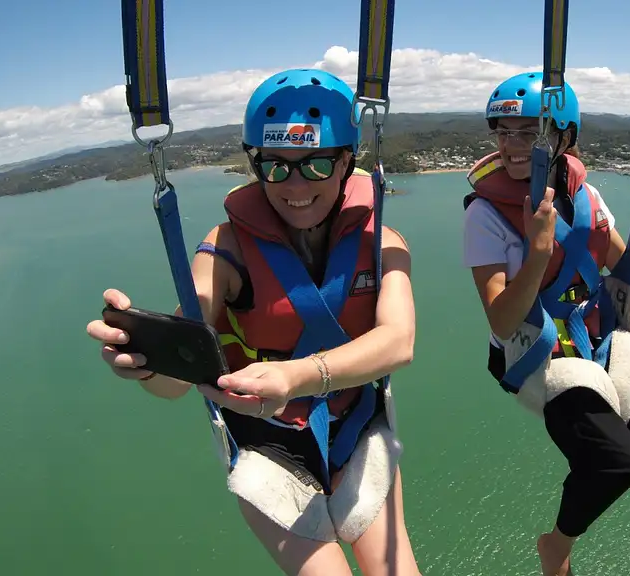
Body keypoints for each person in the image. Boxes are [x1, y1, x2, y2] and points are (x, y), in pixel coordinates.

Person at [86, 68, 421, 576]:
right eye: (276, 167)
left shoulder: (380, 242)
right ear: (255, 165)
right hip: (268, 447)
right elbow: (180, 374)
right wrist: (149, 359)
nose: (295, 185)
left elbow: (398, 342)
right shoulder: (226, 251)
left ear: (347, 162)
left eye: (316, 165)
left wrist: (295, 377)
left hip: (355, 429)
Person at [462, 72, 630, 576]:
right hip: (535, 352)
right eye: (502, 131)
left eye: (528, 133)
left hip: (592, 340)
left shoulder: (586, 198)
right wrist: (538, 251)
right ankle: (556, 546)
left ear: (564, 138)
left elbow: (627, 273)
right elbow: (500, 318)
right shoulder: (486, 214)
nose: (512, 145)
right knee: (617, 459)